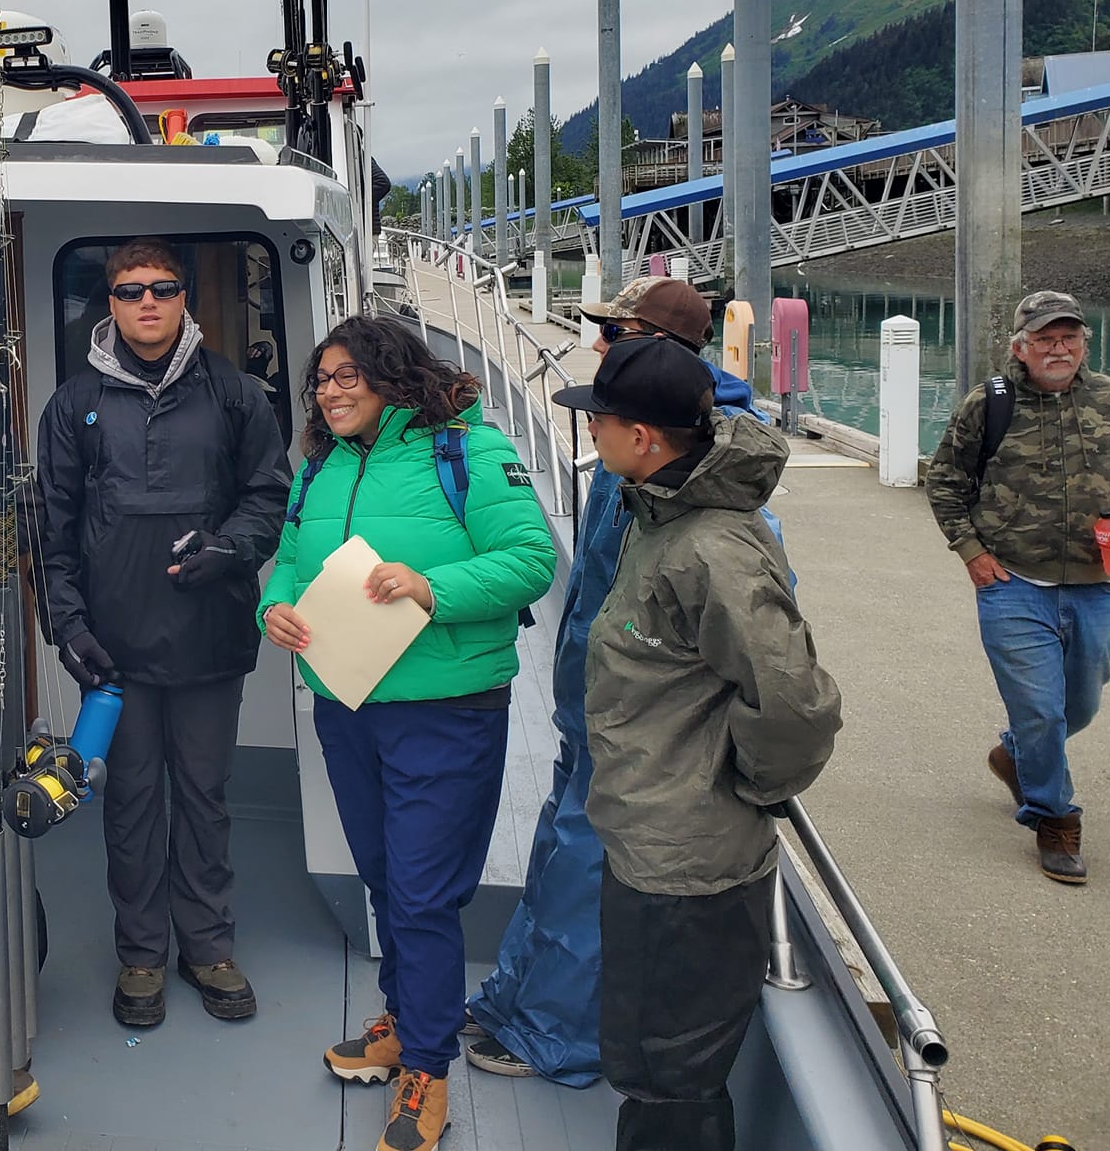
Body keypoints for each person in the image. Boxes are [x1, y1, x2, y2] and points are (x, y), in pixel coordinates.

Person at [464, 275, 778, 1082]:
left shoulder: (704, 464)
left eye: (618, 332)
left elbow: (763, 644)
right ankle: (513, 997)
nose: (599, 343)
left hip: (639, 727)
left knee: (584, 870)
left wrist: (752, 773)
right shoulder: (632, 432)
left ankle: (556, 1036)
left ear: (662, 349)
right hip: (591, 700)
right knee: (557, 849)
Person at [261, 315, 555, 1151]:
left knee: (423, 893)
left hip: (446, 712)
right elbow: (291, 561)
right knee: (386, 878)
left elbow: (530, 559)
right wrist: (273, 608)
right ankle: (404, 1019)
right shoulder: (319, 465)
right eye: (322, 380)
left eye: (347, 376)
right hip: (348, 707)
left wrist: (430, 587)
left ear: (394, 377)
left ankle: (426, 1065)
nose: (330, 392)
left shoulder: (467, 451)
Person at [555, 337, 840, 1151]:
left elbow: (794, 704)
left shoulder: (709, 550)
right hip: (655, 846)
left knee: (670, 1072)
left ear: (643, 437)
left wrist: (746, 788)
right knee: (653, 1062)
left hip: (686, 868)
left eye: (600, 419)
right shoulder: (662, 513)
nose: (591, 430)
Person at [37, 237, 290, 1027]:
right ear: (109, 303)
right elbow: (52, 529)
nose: (147, 301)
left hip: (210, 635)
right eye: (130, 290)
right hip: (115, 648)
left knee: (206, 797)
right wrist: (68, 625)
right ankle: (142, 954)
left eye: (163, 288)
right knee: (133, 801)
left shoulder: (236, 393)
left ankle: (208, 947)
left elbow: (268, 496)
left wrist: (232, 548)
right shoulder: (73, 404)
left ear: (185, 298)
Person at [925, 290, 1110, 886]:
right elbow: (945, 480)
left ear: (1085, 342)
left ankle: (1014, 755)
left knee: (1080, 705)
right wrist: (972, 552)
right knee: (1040, 709)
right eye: (1044, 339)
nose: (1058, 348)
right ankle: (1055, 818)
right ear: (1020, 347)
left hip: (1094, 581)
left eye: (1069, 337)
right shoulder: (988, 403)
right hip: (1011, 581)